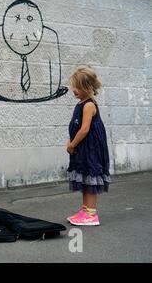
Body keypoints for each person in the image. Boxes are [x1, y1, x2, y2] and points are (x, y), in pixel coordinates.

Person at [66, 65, 111, 226]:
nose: (73, 90)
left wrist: (72, 144)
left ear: (88, 87)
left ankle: (91, 214)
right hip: (83, 148)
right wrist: (70, 140)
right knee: (85, 177)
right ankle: (85, 210)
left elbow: (84, 129)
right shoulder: (81, 103)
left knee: (91, 176)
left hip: (90, 147)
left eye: (77, 87)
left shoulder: (89, 105)